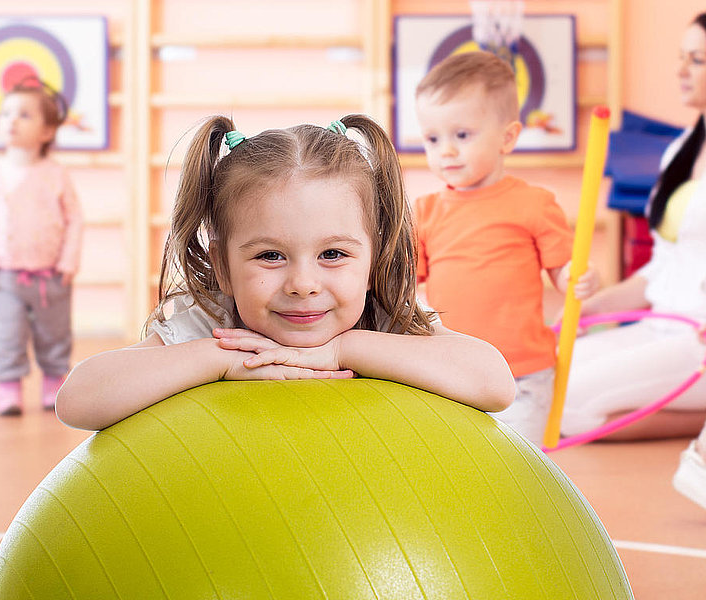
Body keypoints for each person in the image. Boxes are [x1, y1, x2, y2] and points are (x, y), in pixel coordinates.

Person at [55, 114, 515, 431]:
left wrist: (345, 349)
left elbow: (494, 383)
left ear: (374, 262)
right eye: (270, 256)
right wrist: (223, 361)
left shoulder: (385, 319)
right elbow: (78, 399)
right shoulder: (211, 327)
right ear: (223, 266)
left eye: (333, 254)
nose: (303, 284)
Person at [412, 51, 599, 445]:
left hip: (523, 373)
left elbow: (564, 272)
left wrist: (578, 279)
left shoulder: (534, 203)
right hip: (453, 366)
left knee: (523, 468)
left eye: (461, 136)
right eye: (432, 138)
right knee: (461, 461)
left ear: (508, 137)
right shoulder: (424, 212)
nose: (445, 150)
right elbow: (404, 284)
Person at [560, 13, 706, 511]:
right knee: (546, 377)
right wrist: (591, 310)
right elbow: (659, 272)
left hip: (699, 340)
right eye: (681, 57)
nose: (683, 70)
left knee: (572, 406)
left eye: (698, 59)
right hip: (659, 327)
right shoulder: (681, 152)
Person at [0, 78, 83, 416]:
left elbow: (75, 219)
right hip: (7, 276)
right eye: (6, 113)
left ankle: (54, 382)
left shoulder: (56, 174)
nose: (11, 120)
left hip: (52, 275)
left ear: (47, 131)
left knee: (55, 333)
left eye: (24, 115)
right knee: (9, 334)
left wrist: (68, 261)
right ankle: (8, 386)